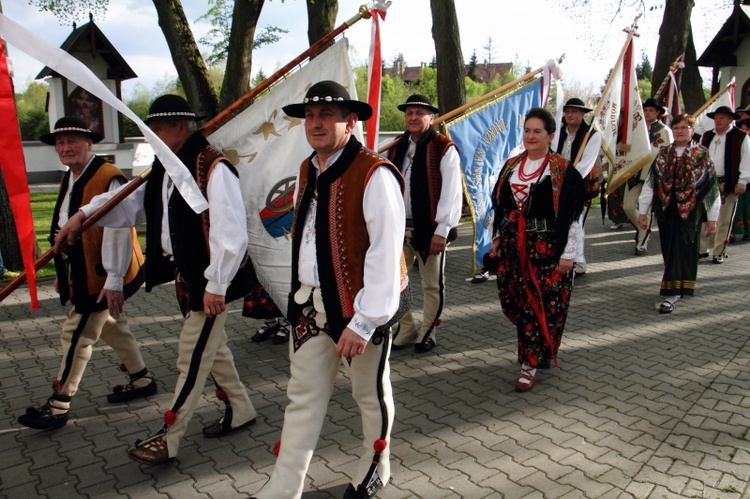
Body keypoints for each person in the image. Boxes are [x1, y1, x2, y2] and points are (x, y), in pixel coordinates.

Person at [55, 95, 258, 464]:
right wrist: (82, 215)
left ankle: (171, 434)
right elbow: (126, 204)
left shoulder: (212, 167)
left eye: (157, 129)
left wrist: (217, 284)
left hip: (210, 282)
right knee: (212, 352)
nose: (151, 136)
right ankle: (241, 408)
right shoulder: (166, 166)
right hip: (189, 278)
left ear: (181, 128)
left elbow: (232, 232)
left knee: (191, 358)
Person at [252, 81, 406, 499]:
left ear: (350, 122)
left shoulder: (374, 174)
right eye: (310, 116)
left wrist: (365, 321)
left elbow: (386, 253)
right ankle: (283, 487)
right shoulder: (308, 168)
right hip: (308, 305)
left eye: (326, 115)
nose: (315, 123)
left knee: (369, 394)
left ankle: (377, 464)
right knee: (301, 398)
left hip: (360, 309)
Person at [18, 117, 154, 431]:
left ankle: (58, 404)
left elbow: (119, 231)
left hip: (103, 272)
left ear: (89, 144)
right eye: (61, 142)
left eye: (73, 141)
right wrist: (64, 270)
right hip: (84, 270)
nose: (66, 147)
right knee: (112, 325)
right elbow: (68, 225)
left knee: (76, 334)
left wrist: (114, 279)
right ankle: (141, 378)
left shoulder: (108, 176)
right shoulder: (72, 176)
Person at [488, 107, 585, 392]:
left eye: (537, 131)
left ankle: (529, 365)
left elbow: (576, 214)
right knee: (517, 302)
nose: (531, 136)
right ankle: (533, 352)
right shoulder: (511, 165)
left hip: (548, 251)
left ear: (550, 136)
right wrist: (496, 238)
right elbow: (501, 207)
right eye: (527, 130)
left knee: (538, 305)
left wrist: (570, 253)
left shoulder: (563, 171)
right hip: (513, 248)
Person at [387, 94, 462, 353]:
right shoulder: (395, 146)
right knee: (393, 281)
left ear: (431, 117)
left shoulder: (444, 147)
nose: (414, 117)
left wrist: (442, 230)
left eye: (420, 112)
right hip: (398, 229)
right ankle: (405, 327)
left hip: (430, 229)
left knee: (432, 283)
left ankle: (429, 330)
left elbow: (452, 192)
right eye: (409, 113)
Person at [637, 114, 720, 313]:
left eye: (684, 127)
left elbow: (711, 188)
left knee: (683, 250)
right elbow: (651, 183)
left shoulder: (701, 154)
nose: (680, 131)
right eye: (676, 128)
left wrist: (712, 218)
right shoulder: (664, 154)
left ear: (692, 130)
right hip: (667, 210)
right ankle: (680, 286)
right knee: (669, 249)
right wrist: (643, 211)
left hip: (691, 212)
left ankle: (671, 293)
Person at [552, 97, 602, 275]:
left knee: (576, 221)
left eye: (574, 111)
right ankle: (570, 258)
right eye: (567, 111)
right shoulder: (558, 133)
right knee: (565, 220)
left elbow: (586, 164)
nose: (569, 115)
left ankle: (578, 261)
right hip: (558, 183)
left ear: (582, 114)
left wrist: (568, 180)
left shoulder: (592, 135)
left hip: (580, 185)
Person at [699, 105, 750, 263]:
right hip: (708, 182)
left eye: (721, 118)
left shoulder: (741, 136)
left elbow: (747, 159)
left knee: (724, 219)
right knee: (703, 216)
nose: (718, 120)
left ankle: (719, 251)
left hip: (728, 183)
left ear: (730, 119)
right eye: (716, 118)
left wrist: (743, 181)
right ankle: (701, 250)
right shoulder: (707, 136)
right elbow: (700, 158)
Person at [622, 98, 673, 256]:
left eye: (651, 110)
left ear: (658, 112)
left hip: (652, 175)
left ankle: (641, 243)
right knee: (628, 206)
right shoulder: (635, 129)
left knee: (646, 209)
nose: (647, 113)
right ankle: (644, 227)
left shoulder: (664, 131)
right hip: (634, 173)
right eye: (645, 110)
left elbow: (667, 154)